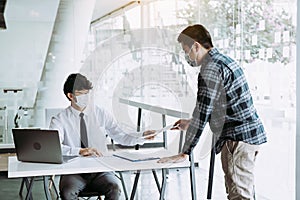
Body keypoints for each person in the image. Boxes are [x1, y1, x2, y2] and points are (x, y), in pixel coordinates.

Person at [158, 24, 267, 200]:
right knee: (244, 191)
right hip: (248, 137)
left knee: (239, 196)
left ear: (196, 45)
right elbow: (217, 106)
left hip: (236, 139)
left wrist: (186, 151)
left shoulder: (209, 70)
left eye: (187, 51)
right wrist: (191, 123)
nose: (187, 57)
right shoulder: (225, 61)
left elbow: (203, 112)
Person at [49, 73, 155, 200]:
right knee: (68, 192)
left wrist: (142, 136)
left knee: (114, 187)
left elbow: (121, 135)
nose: (86, 98)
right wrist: (81, 151)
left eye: (87, 94)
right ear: (70, 96)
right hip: (73, 171)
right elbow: (55, 148)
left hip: (100, 169)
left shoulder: (101, 113)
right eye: (81, 94)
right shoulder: (60, 119)